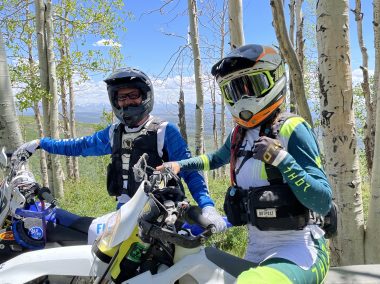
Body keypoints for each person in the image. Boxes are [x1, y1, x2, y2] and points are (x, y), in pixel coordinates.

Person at [157, 44, 332, 283]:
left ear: (274, 80)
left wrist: (282, 160)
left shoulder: (292, 129)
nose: (243, 98)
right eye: (234, 91)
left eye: (253, 86)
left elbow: (322, 201)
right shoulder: (239, 134)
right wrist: (179, 165)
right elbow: (215, 158)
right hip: (256, 250)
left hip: (299, 249)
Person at [17, 67, 226, 243]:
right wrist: (40, 143)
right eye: (121, 97)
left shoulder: (164, 131)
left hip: (162, 215)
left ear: (145, 96)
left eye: (133, 95)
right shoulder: (114, 132)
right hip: (124, 214)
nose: (127, 102)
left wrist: (207, 206)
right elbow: (79, 146)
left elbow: (189, 170)